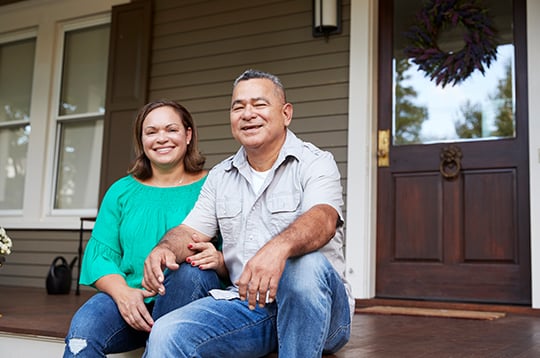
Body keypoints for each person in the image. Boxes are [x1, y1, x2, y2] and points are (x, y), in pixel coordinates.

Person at [142, 70, 353, 357]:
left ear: (286, 113)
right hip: (251, 307)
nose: (247, 113)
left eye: (259, 104)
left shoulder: (315, 163)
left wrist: (278, 248)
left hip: (321, 312)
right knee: (168, 332)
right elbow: (190, 232)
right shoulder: (221, 176)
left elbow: (324, 218)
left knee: (302, 266)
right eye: (238, 106)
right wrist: (164, 248)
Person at [63, 100, 224, 357]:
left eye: (171, 129)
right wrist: (123, 294)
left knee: (190, 276)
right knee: (83, 333)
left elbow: (235, 253)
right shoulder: (121, 191)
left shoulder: (215, 186)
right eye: (151, 132)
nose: (162, 139)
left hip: (188, 303)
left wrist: (219, 258)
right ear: (141, 140)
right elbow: (101, 257)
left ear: (188, 134)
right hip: (131, 298)